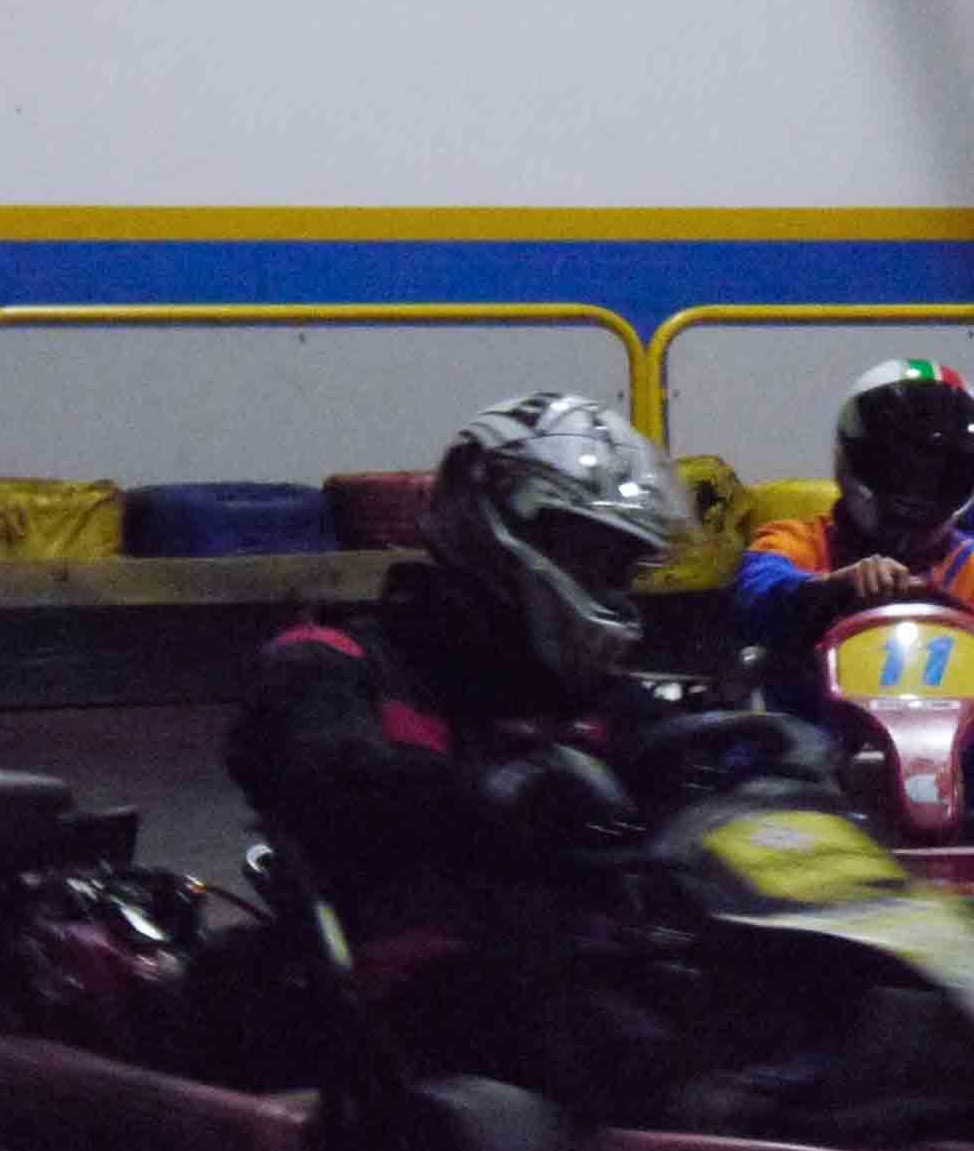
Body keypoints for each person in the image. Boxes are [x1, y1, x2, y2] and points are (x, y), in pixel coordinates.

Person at [220, 391, 711, 1099]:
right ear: (494, 534)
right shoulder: (336, 663)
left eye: (621, 568)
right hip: (419, 998)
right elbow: (320, 771)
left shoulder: (594, 700)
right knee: (610, 1037)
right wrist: (495, 792)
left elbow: (678, 764)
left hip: (599, 970)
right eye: (590, 556)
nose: (608, 586)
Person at [730, 358, 974, 828]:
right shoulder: (800, 542)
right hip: (829, 728)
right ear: (856, 458)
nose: (916, 488)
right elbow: (757, 593)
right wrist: (834, 590)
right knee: (772, 701)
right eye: (900, 467)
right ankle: (789, 823)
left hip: (957, 743)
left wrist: (957, 620)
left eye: (934, 473)